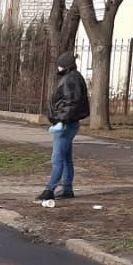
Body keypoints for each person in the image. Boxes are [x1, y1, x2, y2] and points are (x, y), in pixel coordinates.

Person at [37, 52, 91, 201]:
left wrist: (60, 120)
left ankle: (50, 189)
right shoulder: (73, 77)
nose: (58, 67)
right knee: (66, 157)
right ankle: (67, 188)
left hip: (66, 124)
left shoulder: (70, 80)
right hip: (68, 123)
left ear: (65, 65)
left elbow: (70, 103)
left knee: (57, 158)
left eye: (60, 65)